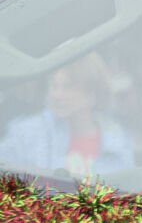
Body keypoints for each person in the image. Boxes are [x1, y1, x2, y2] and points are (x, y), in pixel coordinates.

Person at [0, 53, 134, 177]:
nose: (57, 95)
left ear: (91, 93)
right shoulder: (26, 134)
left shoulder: (118, 143)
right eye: (54, 86)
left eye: (68, 87)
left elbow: (127, 195)